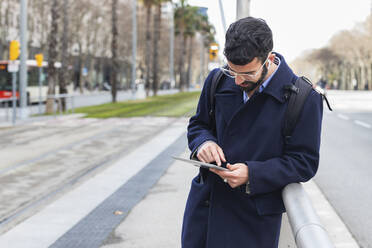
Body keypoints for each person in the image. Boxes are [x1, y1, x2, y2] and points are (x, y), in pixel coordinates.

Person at [182, 17, 323, 248]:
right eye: (232, 71)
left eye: (247, 74)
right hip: (205, 209)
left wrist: (252, 174)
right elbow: (198, 125)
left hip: (253, 220)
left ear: (268, 59)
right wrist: (204, 143)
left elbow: (304, 162)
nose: (237, 80)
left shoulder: (305, 99)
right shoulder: (217, 79)